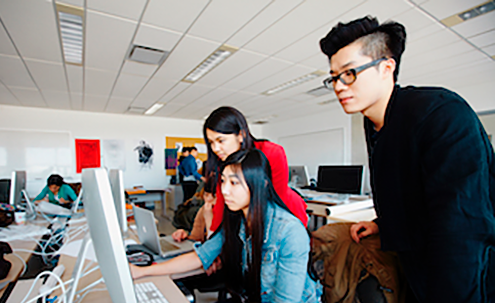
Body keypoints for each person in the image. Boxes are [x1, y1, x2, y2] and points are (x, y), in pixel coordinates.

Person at [319, 15, 495, 302]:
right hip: (414, 266)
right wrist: (382, 223)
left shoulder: (440, 114)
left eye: (349, 73)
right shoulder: (373, 122)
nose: (339, 85)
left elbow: (462, 229)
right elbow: (410, 192)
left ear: (387, 67)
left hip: (465, 280)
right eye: (334, 77)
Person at [131, 149, 320, 302]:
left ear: (260, 184)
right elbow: (200, 257)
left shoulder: (289, 231)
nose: (225, 190)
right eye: (223, 181)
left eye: (234, 183)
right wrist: (142, 271)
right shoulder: (237, 219)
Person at [203, 106, 308, 233]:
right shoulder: (224, 161)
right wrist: (213, 234)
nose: (215, 148)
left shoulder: (271, 153)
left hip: (285, 214)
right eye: (211, 143)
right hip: (251, 217)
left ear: (241, 135)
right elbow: (221, 200)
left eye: (221, 141)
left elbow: (276, 196)